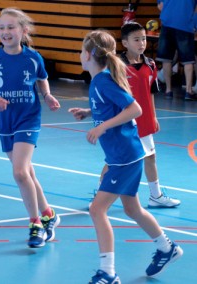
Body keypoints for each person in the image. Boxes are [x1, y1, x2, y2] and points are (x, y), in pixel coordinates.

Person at [69, 30, 183, 284]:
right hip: (123, 155)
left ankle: (108, 272)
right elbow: (112, 106)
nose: (79, 55)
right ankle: (167, 248)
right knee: (132, 208)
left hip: (124, 156)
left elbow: (135, 108)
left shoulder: (103, 80)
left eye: (80, 51)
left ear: (88, 55)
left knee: (98, 210)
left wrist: (101, 127)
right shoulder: (99, 80)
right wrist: (90, 113)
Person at [0, 7, 61, 248]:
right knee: (28, 174)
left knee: (20, 173)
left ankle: (36, 225)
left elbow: (42, 78)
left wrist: (47, 95)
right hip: (4, 121)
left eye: (11, 27)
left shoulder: (33, 57)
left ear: (23, 31)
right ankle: (48, 215)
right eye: (1, 27)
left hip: (28, 118)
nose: (5, 31)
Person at [120, 22, 180, 208]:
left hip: (144, 120)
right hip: (124, 120)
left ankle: (156, 196)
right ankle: (100, 192)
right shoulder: (117, 66)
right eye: (136, 39)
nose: (141, 43)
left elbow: (151, 93)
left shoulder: (150, 65)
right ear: (125, 43)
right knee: (119, 160)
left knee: (150, 156)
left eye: (144, 39)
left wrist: (153, 117)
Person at [156, 0, 197, 100]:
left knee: (166, 59)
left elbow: (160, 6)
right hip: (185, 24)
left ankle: (168, 90)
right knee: (188, 60)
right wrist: (194, 25)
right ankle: (188, 91)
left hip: (167, 23)